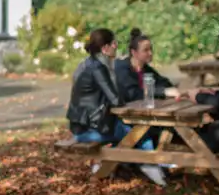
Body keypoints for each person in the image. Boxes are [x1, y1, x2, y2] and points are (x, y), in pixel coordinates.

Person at [66, 28, 166, 185]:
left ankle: (153, 168)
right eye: (114, 43)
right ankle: (154, 170)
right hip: (88, 130)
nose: (116, 46)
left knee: (138, 131)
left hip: (88, 124)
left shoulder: (91, 63)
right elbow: (116, 100)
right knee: (138, 133)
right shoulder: (98, 68)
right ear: (105, 48)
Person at [115, 28, 180, 103]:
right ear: (134, 52)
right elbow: (134, 94)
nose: (150, 53)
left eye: (151, 49)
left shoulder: (145, 68)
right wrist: (162, 92)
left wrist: (164, 90)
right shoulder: (122, 68)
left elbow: (165, 83)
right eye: (146, 50)